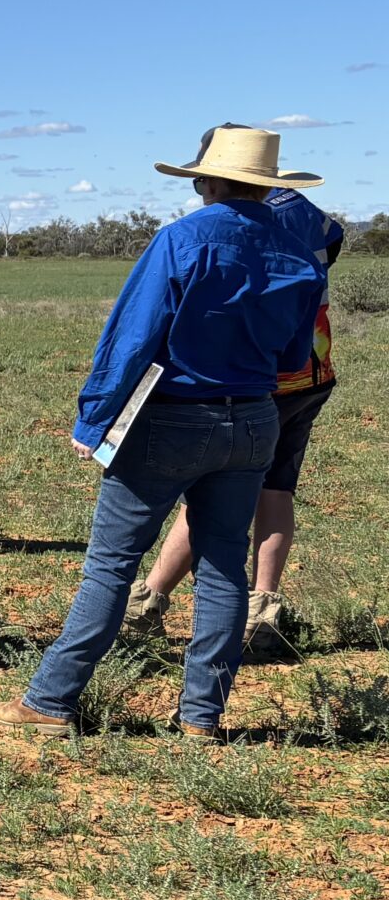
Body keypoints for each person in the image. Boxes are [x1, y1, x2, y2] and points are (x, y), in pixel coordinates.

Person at [0, 124, 325, 741]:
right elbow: (294, 353)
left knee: (112, 565)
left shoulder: (181, 239)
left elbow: (132, 336)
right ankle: (202, 717)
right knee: (224, 568)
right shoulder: (299, 253)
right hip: (253, 419)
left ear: (209, 179)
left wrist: (93, 417)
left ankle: (50, 702)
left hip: (172, 415)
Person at [128, 139, 345, 658]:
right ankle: (263, 611)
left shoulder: (239, 221)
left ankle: (147, 603)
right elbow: (331, 250)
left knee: (209, 490)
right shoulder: (309, 214)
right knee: (276, 490)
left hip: (251, 377)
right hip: (311, 368)